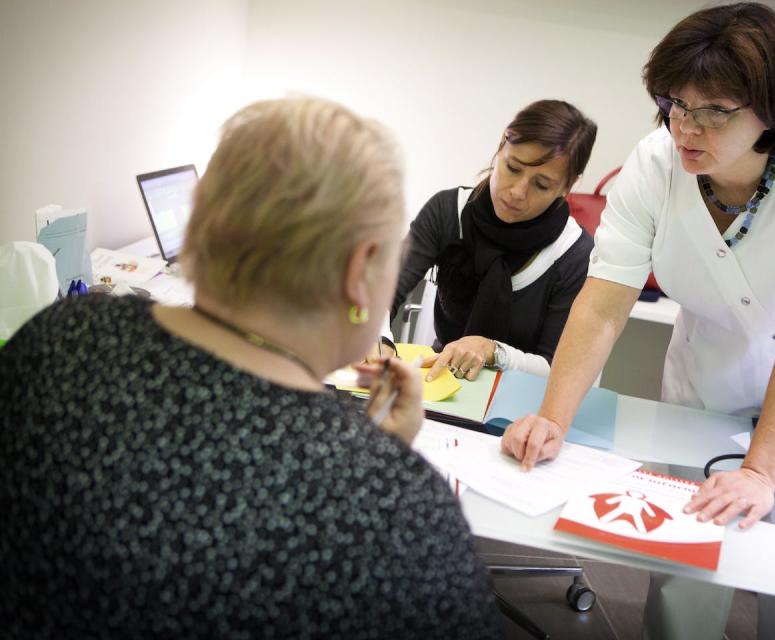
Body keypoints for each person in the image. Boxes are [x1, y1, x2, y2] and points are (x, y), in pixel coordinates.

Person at [0, 97, 501, 639]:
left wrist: (370, 454)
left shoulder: (61, 335)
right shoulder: (399, 512)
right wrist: (377, 465)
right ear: (359, 272)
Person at [501, 3, 775, 639]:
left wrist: (762, 472)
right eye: (676, 103)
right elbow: (603, 302)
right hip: (703, 387)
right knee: (682, 573)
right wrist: (553, 417)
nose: (686, 127)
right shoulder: (655, 164)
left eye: (714, 110)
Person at [391, 99, 597, 383]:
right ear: (501, 146)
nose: (517, 192)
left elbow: (557, 367)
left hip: (523, 404)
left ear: (568, 186)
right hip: (441, 384)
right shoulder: (448, 212)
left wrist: (494, 352)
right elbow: (382, 292)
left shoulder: (573, 254)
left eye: (541, 185)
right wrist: (377, 338)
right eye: (513, 168)